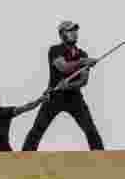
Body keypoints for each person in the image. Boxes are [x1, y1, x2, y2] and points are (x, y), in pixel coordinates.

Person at [22, 20, 104, 150]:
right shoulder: (55, 50)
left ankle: (101, 157)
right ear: (62, 34)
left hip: (74, 97)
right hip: (54, 95)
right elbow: (63, 67)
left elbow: (83, 81)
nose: (74, 33)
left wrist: (69, 86)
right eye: (70, 30)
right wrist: (83, 62)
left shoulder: (83, 54)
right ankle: (24, 159)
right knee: (37, 129)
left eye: (75, 30)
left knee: (90, 128)